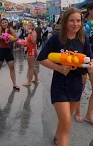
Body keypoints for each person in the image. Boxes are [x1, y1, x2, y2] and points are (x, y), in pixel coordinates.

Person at [37, 8, 93, 146]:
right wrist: (59, 68)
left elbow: (90, 59)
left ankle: (57, 137)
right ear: (65, 22)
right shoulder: (56, 39)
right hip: (59, 85)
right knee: (67, 123)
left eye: (78, 20)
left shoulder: (83, 40)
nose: (75, 24)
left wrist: (91, 65)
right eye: (72, 20)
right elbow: (41, 58)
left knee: (64, 122)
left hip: (77, 85)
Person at [74, 1, 93, 124]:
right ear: (90, 10)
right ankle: (78, 112)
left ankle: (89, 113)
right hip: (83, 58)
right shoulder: (84, 25)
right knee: (80, 86)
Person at [0, 18, 20, 91]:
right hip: (0, 49)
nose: (5, 24)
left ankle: (14, 84)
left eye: (6, 22)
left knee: (12, 66)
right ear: (1, 24)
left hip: (8, 50)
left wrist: (10, 40)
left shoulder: (10, 29)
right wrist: (4, 35)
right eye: (3, 23)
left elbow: (16, 37)